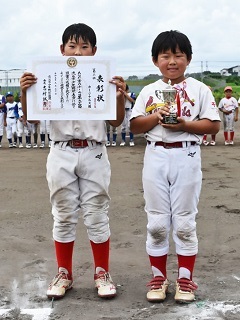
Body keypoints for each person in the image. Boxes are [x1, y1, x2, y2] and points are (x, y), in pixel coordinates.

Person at [20, 23, 126, 300]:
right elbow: (31, 119)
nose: (78, 52)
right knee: (63, 214)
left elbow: (115, 121)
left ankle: (102, 272)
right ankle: (64, 272)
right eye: (72, 46)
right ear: (61, 49)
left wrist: (117, 96)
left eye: (84, 47)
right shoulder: (46, 77)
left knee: (96, 214)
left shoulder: (104, 78)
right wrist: (25, 92)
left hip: (94, 150)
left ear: (94, 51)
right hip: (61, 149)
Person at [130, 30, 220, 303]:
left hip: (187, 155)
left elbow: (213, 125)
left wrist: (185, 125)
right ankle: (158, 278)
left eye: (178, 55)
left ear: (188, 59)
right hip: (156, 155)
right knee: (157, 222)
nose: (172, 61)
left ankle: (185, 279)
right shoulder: (148, 90)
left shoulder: (199, 89)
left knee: (184, 223)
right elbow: (134, 126)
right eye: (165, 55)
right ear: (155, 60)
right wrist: (156, 116)